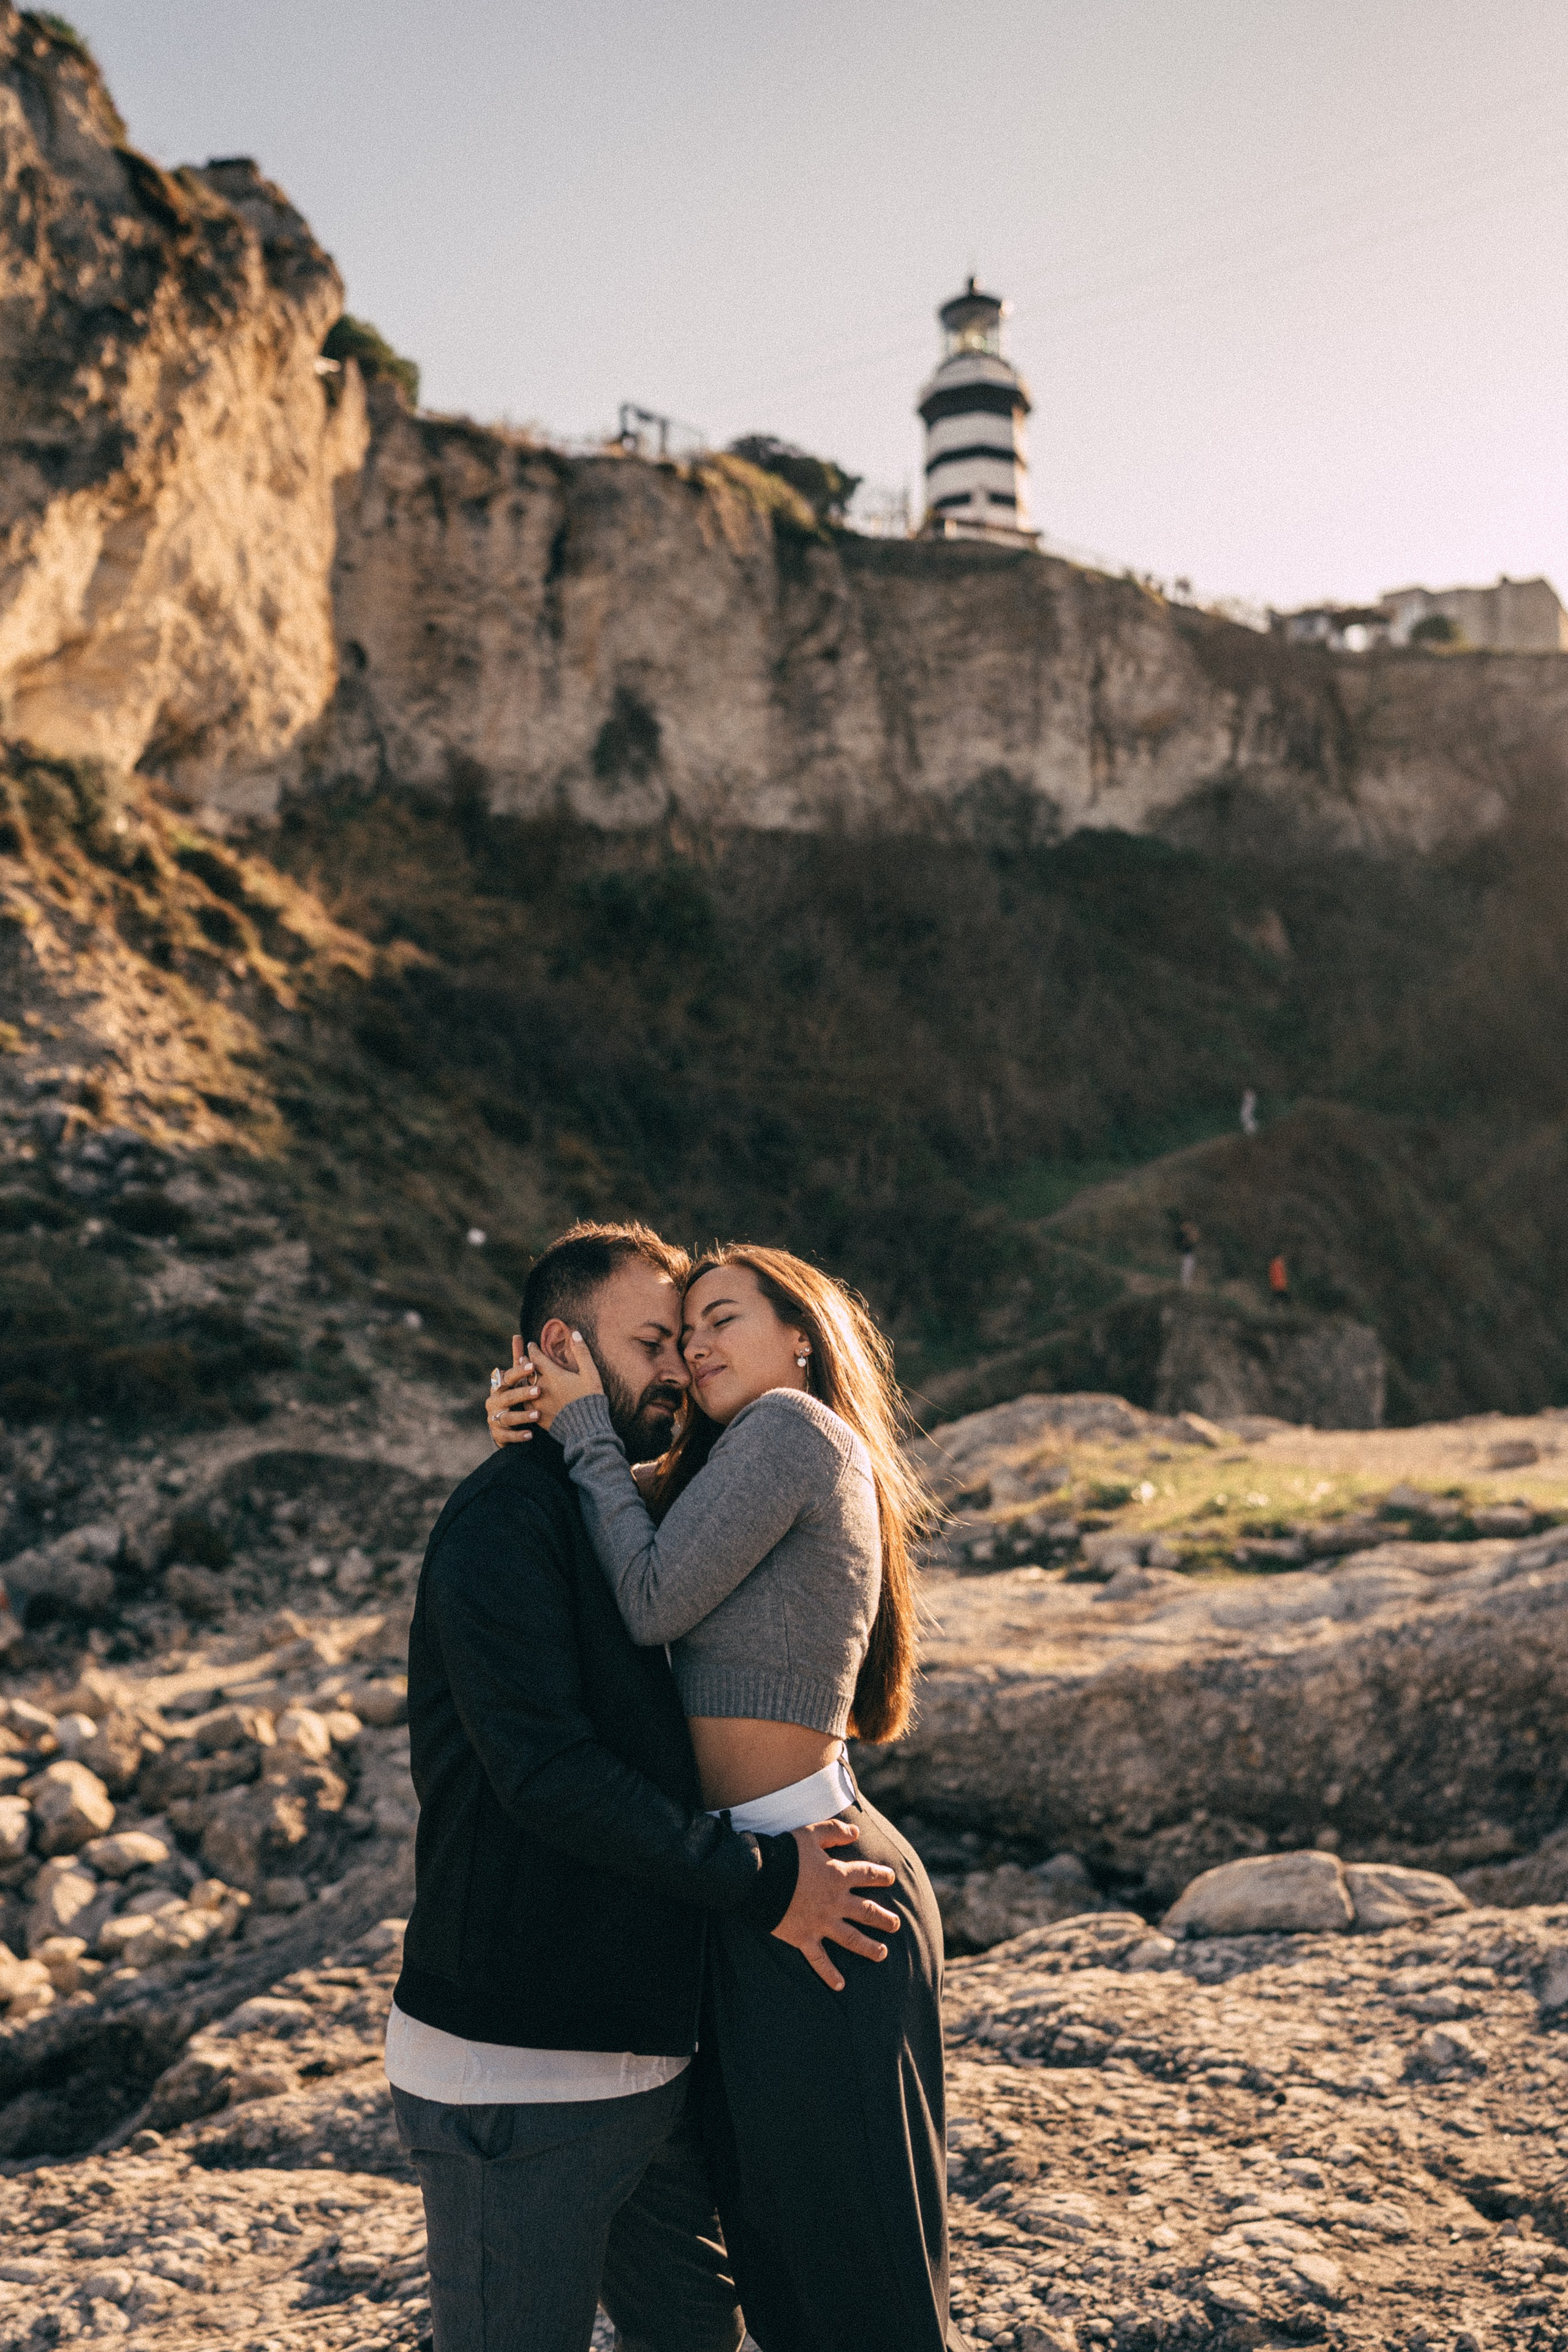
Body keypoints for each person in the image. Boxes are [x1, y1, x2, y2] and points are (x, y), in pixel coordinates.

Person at [390, 1221, 903, 2352]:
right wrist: (762, 1881)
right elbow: (548, 1775)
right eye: (657, 1341)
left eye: (697, 1336)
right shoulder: (504, 1521)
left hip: (647, 2059)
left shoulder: (630, 1493)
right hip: (517, 2070)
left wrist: (568, 1428)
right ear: (562, 1347)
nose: (681, 1365)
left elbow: (669, 1573)